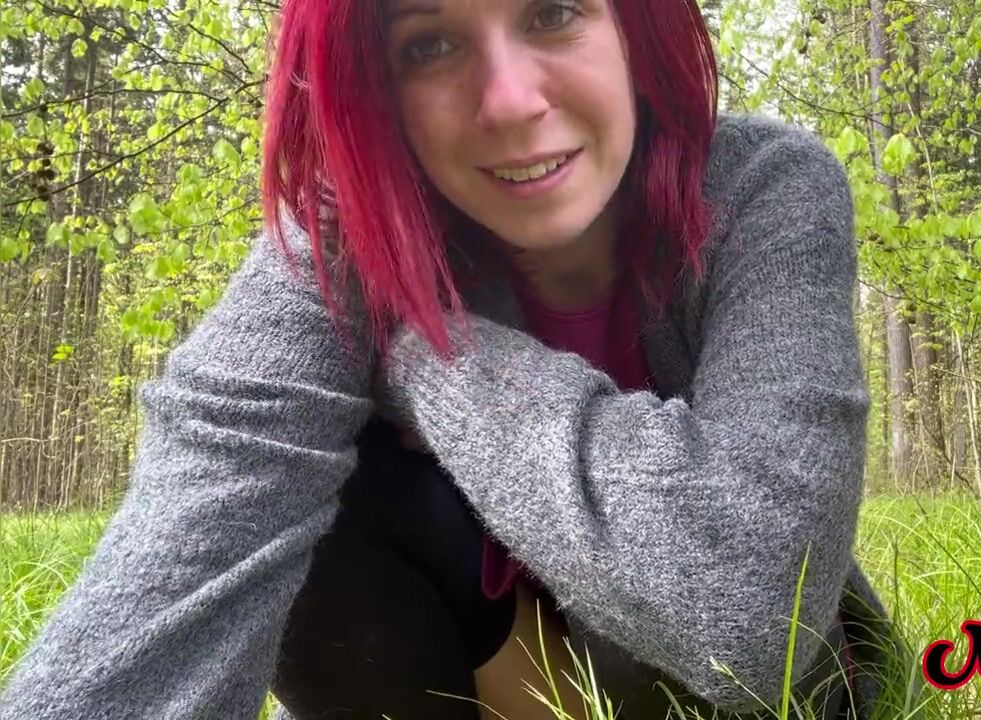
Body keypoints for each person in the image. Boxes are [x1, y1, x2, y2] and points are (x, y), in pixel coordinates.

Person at [0, 0, 901, 718]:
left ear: (636, 26)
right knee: (317, 502)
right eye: (429, 44)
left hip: (770, 696)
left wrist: (428, 347)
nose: (509, 102)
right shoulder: (342, 237)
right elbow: (204, 506)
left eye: (552, 12)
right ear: (374, 87)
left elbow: (755, 606)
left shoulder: (763, 187)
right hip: (479, 659)